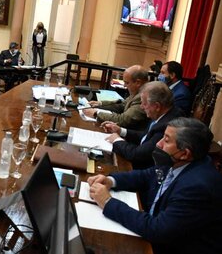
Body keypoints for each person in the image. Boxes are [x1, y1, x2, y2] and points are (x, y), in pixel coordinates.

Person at [88, 117, 222, 254]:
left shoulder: (197, 187)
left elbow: (158, 230)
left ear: (184, 153)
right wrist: (111, 181)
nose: (158, 144)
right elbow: (146, 175)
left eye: (166, 140)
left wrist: (107, 202)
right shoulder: (178, 161)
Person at [102, 81, 184, 169]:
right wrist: (120, 130)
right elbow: (145, 136)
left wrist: (116, 140)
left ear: (157, 106)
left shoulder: (167, 126)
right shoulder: (163, 114)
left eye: (144, 103)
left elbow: (137, 155)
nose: (141, 107)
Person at [83, 65, 149, 130]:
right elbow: (122, 104)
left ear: (138, 82)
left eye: (127, 83)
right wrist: (100, 104)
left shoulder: (143, 96)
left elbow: (123, 120)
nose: (124, 85)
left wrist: (96, 113)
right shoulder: (138, 91)